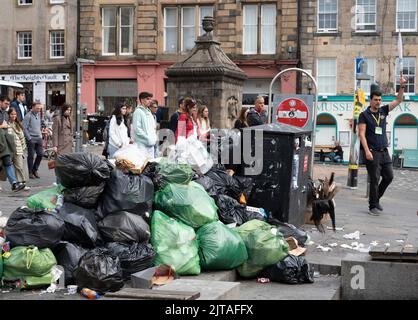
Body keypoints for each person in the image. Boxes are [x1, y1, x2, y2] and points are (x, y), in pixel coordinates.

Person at [358, 75, 407, 216]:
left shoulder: (383, 111)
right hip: (372, 152)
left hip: (384, 152)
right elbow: (362, 134)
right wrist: (367, 151)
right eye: (376, 100)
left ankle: (375, 199)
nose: (378, 102)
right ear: (371, 100)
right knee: (374, 179)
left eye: (380, 100)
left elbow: (398, 100)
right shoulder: (364, 115)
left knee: (389, 176)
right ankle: (373, 205)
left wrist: (402, 86)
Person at [7, 107, 30, 190]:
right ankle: (14, 183)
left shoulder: (18, 124)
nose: (14, 116)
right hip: (8, 149)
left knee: (19, 166)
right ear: (9, 115)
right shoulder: (6, 124)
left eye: (15, 114)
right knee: (5, 167)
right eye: (12, 114)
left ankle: (21, 183)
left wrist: (23, 148)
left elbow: (22, 138)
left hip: (18, 149)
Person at [133, 92, 157, 159]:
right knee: (142, 165)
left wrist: (154, 138)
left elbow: (153, 127)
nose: (150, 101)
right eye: (147, 99)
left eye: (150, 99)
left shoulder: (149, 112)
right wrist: (147, 138)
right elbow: (137, 129)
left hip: (151, 144)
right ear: (142, 100)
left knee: (150, 165)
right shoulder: (138, 112)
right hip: (141, 145)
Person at [23, 102, 44, 179]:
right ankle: (30, 172)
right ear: (33, 107)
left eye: (40, 108)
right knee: (31, 156)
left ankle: (35, 169)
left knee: (41, 154)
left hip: (39, 138)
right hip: (31, 138)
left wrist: (41, 134)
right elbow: (24, 128)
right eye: (37, 108)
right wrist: (29, 138)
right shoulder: (28, 116)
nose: (39, 110)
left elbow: (40, 125)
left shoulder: (38, 115)